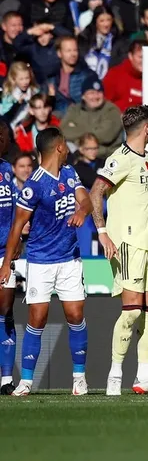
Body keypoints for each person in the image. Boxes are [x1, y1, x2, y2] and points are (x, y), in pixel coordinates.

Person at [90, 105, 148, 395]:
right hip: (127, 246)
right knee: (131, 313)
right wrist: (102, 233)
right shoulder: (120, 159)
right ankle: (115, 375)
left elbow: (143, 197)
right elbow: (95, 193)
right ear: (147, 129)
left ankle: (144, 376)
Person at [1, 128, 92, 396]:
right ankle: (26, 382)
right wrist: (7, 263)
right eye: (65, 145)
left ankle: (79, 378)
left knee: (75, 315)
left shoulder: (69, 173)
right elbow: (17, 227)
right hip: (40, 261)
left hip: (70, 258)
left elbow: (85, 200)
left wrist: (81, 212)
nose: (67, 150)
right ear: (59, 148)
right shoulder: (34, 185)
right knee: (37, 319)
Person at [0, 126, 19, 395]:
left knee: (5, 312)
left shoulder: (7, 169)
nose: (4, 141)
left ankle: (5, 379)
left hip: (5, 251)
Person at [60, 82, 123, 159]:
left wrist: (77, 134)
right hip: (79, 158)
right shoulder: (74, 109)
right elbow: (63, 131)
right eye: (91, 93)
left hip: (106, 157)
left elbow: (105, 136)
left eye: (99, 92)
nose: (96, 96)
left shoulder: (112, 110)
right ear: (83, 96)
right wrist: (94, 130)